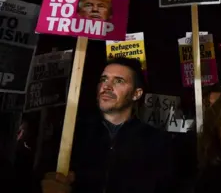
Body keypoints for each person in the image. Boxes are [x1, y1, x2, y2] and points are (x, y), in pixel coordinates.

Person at [41, 58, 174, 193]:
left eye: (118, 81)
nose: (107, 86)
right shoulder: (72, 134)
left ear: (136, 94)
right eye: (104, 79)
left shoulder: (156, 142)